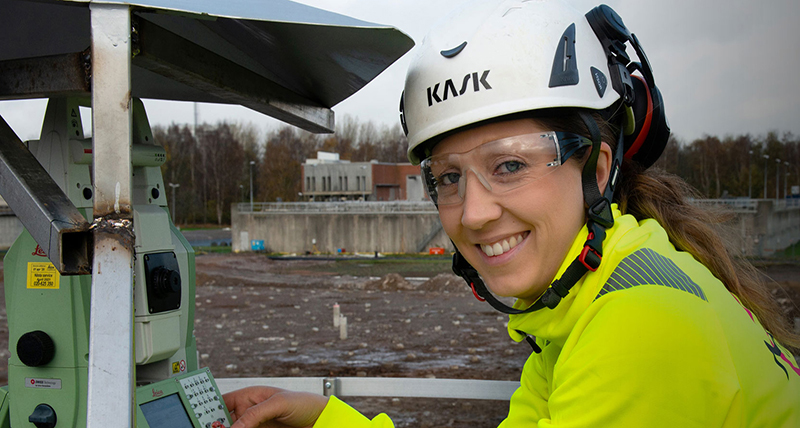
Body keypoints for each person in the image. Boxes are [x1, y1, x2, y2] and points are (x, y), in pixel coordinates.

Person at [223, 0, 800, 426]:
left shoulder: (640, 322)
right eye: (449, 177)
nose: (472, 214)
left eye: (508, 166)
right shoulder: (579, 305)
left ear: (596, 171)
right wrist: (329, 418)